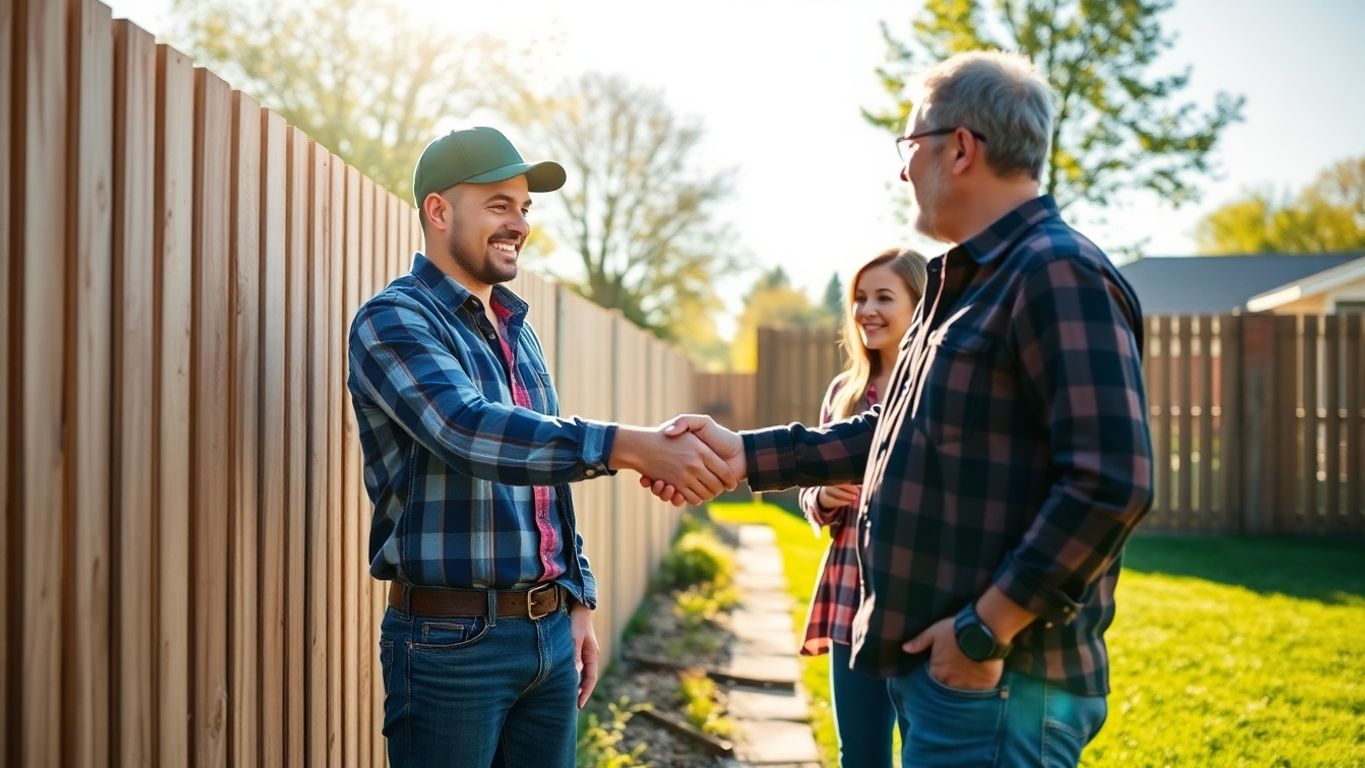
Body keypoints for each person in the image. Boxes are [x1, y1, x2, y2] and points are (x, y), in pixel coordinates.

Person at [651, 51, 1152, 767]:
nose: (902, 170)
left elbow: (1112, 483)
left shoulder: (1056, 274)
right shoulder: (967, 287)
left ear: (959, 148)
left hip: (1002, 686)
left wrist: (984, 630)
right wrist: (745, 454)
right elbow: (892, 431)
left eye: (909, 146)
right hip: (950, 681)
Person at [347, 126, 736, 768]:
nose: (519, 224)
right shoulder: (395, 320)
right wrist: (625, 445)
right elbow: (468, 432)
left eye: (525, 208)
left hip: (549, 636)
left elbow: (544, 483)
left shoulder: (516, 329)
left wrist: (576, 598)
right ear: (438, 211)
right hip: (452, 644)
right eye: (500, 204)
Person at [798, 247, 926, 768]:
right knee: (862, 752)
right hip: (853, 592)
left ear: (919, 307)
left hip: (921, 597)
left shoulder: (939, 389)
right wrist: (822, 496)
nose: (867, 310)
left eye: (884, 297)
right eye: (859, 298)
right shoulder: (846, 392)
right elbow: (810, 486)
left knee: (926, 748)